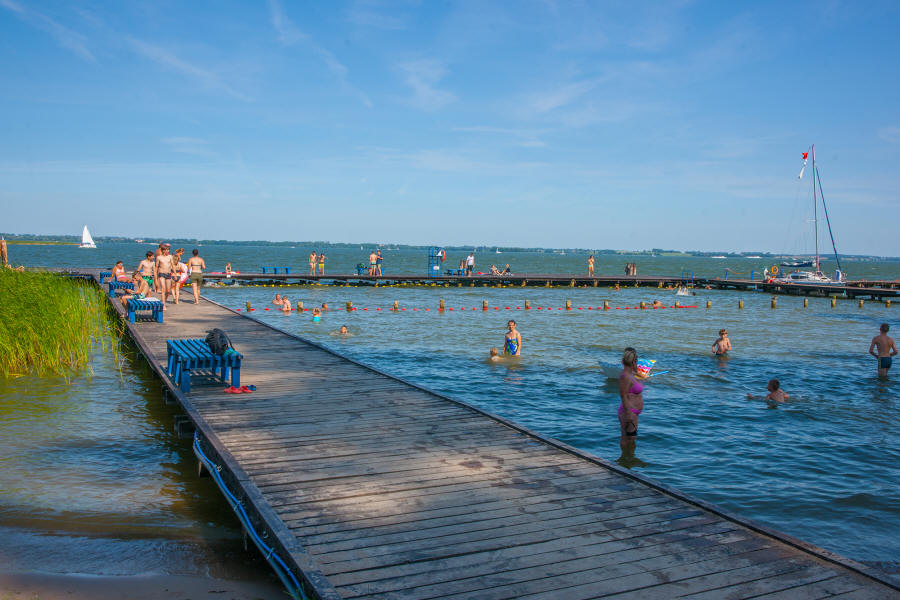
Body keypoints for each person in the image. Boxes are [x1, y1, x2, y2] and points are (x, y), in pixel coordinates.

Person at [617, 347, 644, 449]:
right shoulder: (625, 376)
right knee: (625, 438)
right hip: (628, 411)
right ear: (632, 361)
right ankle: (623, 461)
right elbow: (623, 395)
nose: (637, 363)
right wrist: (628, 413)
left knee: (632, 438)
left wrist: (636, 371)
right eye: (636, 361)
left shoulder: (632, 374)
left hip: (634, 412)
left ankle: (628, 459)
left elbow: (639, 383)